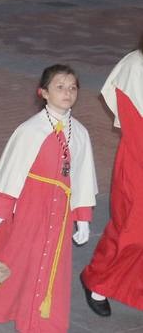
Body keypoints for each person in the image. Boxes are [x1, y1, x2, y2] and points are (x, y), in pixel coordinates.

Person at [0, 64, 97, 333]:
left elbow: (83, 178)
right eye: (60, 87)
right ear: (43, 92)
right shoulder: (30, 130)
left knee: (52, 267)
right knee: (15, 262)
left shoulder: (81, 134)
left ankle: (42, 325)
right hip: (29, 206)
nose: (67, 92)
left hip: (60, 211)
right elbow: (12, 174)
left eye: (72, 87)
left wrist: (83, 218)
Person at [80, 38, 143, 315]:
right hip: (137, 162)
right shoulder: (135, 66)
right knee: (131, 229)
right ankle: (97, 280)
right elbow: (135, 128)